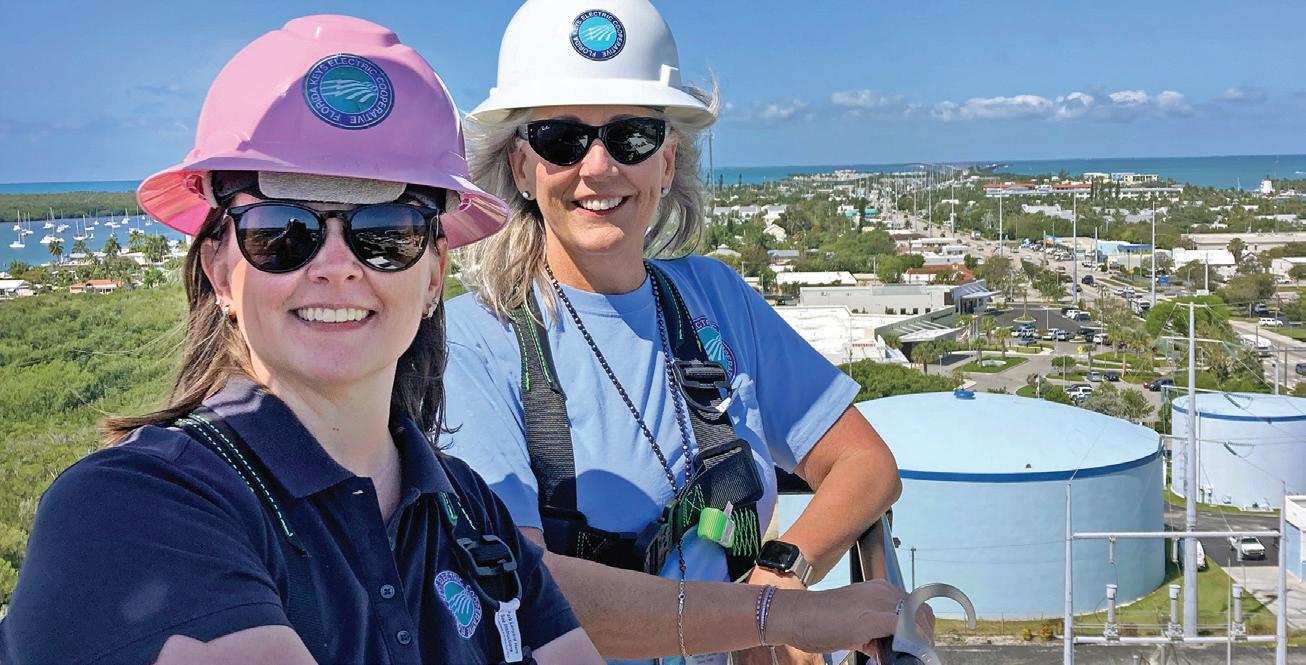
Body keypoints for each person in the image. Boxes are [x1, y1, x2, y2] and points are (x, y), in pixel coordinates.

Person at [0, 16, 603, 665]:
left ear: (434, 276)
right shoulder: (133, 506)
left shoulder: (468, 511)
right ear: (219, 272)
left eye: (386, 231)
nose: (336, 266)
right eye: (281, 231)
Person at [443, 1, 930, 663]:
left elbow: (864, 463)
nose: (598, 167)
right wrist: (774, 616)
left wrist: (782, 568)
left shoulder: (714, 299)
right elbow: (523, 589)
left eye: (632, 137)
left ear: (667, 162)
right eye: (561, 138)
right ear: (522, 166)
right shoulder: (478, 342)